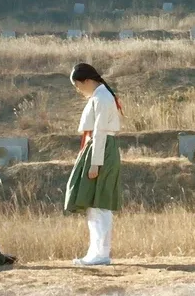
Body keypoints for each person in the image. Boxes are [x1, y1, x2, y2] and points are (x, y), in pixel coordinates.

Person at [64, 63, 124, 266]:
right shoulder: (100, 96)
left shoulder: (102, 97)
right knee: (94, 204)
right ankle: (96, 252)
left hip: (101, 149)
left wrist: (95, 164)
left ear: (88, 81)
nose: (78, 90)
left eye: (79, 85)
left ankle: (100, 253)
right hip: (98, 148)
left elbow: (99, 132)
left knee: (100, 204)